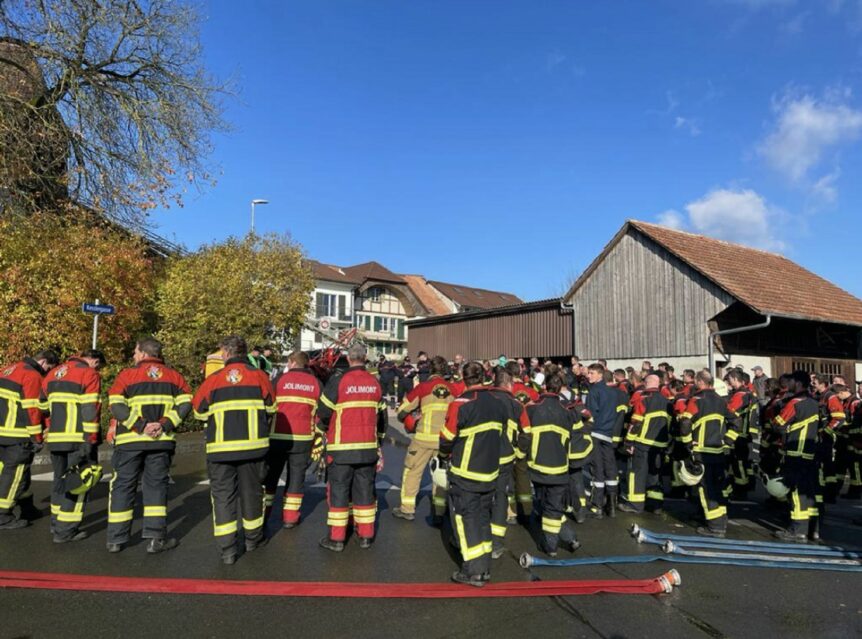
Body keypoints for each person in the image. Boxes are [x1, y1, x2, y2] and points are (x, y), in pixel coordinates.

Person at [193, 336, 275, 564]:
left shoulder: (214, 379)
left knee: (223, 498)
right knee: (252, 494)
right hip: (253, 449)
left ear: (226, 354)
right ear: (245, 352)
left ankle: (228, 549)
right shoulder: (259, 376)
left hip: (220, 450)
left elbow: (199, 411)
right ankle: (253, 540)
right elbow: (271, 408)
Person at [106, 338, 191, 554]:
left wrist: (140, 426)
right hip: (160, 441)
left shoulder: (127, 375)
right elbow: (186, 403)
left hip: (129, 441)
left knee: (123, 486)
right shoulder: (175, 376)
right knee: (156, 488)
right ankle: (155, 539)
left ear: (143, 354)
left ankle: (116, 539)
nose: (133, 356)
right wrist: (164, 425)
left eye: (135, 352)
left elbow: (115, 404)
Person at [439, 361, 506, 587]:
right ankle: (484, 566)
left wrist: (443, 454)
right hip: (490, 470)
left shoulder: (461, 404)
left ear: (463, 377)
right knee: (483, 517)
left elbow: (447, 438)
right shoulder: (498, 403)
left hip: (465, 471)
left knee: (466, 519)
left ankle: (473, 571)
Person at [317, 344, 388, 552]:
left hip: (341, 449)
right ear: (365, 359)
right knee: (365, 491)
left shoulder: (338, 381)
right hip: (367, 448)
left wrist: (325, 429)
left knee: (339, 492)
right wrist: (379, 443)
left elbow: (323, 411)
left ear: (348, 359)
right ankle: (366, 535)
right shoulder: (374, 383)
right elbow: (382, 418)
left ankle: (337, 538)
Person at [42, 349, 104, 543]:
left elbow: (42, 406)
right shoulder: (89, 374)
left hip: (56, 438)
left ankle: (56, 523)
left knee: (59, 480)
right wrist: (91, 439)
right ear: (93, 360)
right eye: (99, 365)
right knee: (79, 483)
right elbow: (90, 409)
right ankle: (65, 530)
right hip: (78, 438)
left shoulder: (53, 373)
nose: (98, 369)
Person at [520, 370, 580, 557]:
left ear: (544, 386)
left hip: (538, 466)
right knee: (552, 506)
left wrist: (519, 454)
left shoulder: (531, 408)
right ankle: (570, 538)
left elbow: (524, 436)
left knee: (547, 506)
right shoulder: (568, 410)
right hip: (561, 467)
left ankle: (551, 546)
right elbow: (576, 436)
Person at [677, 370, 740, 538]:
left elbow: (685, 422)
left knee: (706, 488)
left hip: (701, 451)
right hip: (718, 451)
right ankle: (721, 520)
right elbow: (737, 421)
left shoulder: (697, 400)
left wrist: (688, 442)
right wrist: (727, 440)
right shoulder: (721, 401)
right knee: (718, 486)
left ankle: (715, 527)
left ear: (699, 382)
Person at [0, 350, 59, 529]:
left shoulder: (10, 368)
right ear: (43, 362)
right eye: (49, 368)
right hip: (17, 434)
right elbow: (32, 410)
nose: (47, 373)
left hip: (3, 431)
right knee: (14, 474)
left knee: (17, 473)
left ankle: (26, 507)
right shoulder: (32, 376)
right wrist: (37, 437)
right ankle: (3, 515)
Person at [393, 356, 455, 523]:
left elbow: (402, 411)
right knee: (441, 474)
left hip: (422, 439)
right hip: (444, 440)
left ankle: (407, 509)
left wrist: (411, 417)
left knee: (412, 471)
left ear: (431, 370)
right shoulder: (453, 389)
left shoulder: (423, 387)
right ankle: (439, 511)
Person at [265, 351, 321, 528]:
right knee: (296, 478)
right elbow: (322, 413)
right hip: (304, 438)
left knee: (271, 476)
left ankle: (264, 514)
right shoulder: (316, 383)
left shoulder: (280, 380)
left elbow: (267, 404)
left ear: (291, 362)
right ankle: (290, 517)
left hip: (277, 436)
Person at [772, 370, 821, 541]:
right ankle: (812, 529)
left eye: (791, 381)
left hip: (795, 451)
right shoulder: (814, 402)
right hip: (810, 452)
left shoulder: (794, 403)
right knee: (809, 491)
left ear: (798, 383)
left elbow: (778, 423)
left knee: (796, 491)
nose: (789, 384)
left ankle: (797, 530)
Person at [487, 366, 530, 558]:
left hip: (482, 456)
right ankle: (496, 542)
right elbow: (527, 433)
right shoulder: (516, 404)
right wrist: (519, 452)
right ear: (509, 384)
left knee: (479, 496)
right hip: (505, 456)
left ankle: (476, 537)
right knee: (500, 496)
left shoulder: (484, 399)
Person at [618, 373, 672, 514]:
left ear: (647, 383)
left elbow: (635, 423)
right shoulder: (667, 401)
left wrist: (628, 442)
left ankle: (635, 505)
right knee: (654, 475)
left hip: (642, 443)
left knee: (637, 474)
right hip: (660, 444)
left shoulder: (644, 399)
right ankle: (655, 505)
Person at [585, 363, 623, 518]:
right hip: (608, 433)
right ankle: (612, 506)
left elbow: (590, 415)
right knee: (610, 467)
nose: (588, 376)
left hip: (595, 432)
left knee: (597, 469)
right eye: (588, 373)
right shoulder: (614, 393)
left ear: (600, 375)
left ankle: (597, 506)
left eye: (592, 373)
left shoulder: (593, 391)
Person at [726, 369, 759, 497]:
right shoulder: (747, 393)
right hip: (744, 432)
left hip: (739, 433)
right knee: (744, 461)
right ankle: (747, 484)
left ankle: (741, 488)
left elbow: (730, 411)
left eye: (729, 379)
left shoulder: (740, 395)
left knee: (739, 461)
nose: (728, 382)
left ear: (734, 379)